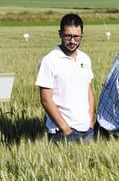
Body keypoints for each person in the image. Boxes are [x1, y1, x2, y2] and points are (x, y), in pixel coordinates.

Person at [35, 13, 95, 143]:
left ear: (82, 34)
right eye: (68, 36)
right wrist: (66, 129)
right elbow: (45, 99)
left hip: (87, 130)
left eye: (76, 37)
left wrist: (90, 122)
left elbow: (88, 91)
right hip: (62, 133)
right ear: (60, 34)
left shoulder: (85, 58)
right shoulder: (49, 61)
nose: (72, 41)